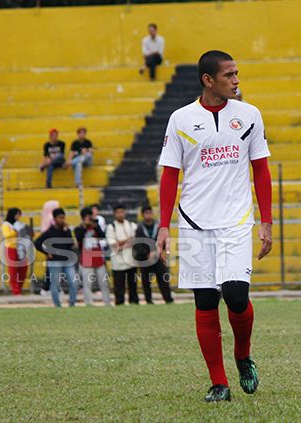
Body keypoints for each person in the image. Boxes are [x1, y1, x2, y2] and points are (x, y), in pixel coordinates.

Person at [157, 50, 272, 402]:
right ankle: (219, 383)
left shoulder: (250, 115)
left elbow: (262, 170)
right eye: (229, 75)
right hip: (194, 223)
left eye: (237, 73)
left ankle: (242, 355)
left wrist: (266, 221)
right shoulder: (180, 119)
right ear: (208, 80)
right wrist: (163, 226)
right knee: (205, 301)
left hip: (236, 222)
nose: (236, 80)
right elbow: (170, 176)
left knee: (237, 297)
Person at [33, 208, 79, 307]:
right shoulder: (49, 232)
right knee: (55, 284)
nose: (62, 220)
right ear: (54, 219)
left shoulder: (66, 230)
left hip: (68, 260)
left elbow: (70, 244)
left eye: (63, 217)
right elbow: (37, 243)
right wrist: (46, 252)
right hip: (54, 261)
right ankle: (57, 305)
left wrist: (67, 232)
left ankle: (72, 303)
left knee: (74, 282)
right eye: (60, 218)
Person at [133, 205, 174, 305]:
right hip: (144, 259)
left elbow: (163, 241)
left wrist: (157, 252)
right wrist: (147, 254)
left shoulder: (158, 226)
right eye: (146, 213)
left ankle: (168, 299)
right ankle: (148, 300)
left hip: (158, 257)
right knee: (146, 281)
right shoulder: (139, 228)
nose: (149, 215)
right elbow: (137, 244)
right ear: (143, 215)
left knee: (163, 278)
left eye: (150, 213)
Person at [74, 207, 111, 306]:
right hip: (86, 260)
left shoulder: (95, 226)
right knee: (87, 284)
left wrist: (95, 226)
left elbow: (102, 236)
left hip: (98, 259)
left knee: (104, 283)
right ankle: (89, 303)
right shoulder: (78, 229)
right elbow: (79, 239)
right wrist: (84, 227)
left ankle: (107, 302)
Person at [105, 204, 139, 305]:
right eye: (118, 212)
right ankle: (119, 304)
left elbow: (135, 241)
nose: (120, 214)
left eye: (122, 212)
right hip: (118, 263)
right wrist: (127, 241)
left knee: (133, 286)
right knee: (119, 288)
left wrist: (121, 244)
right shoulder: (111, 227)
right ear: (114, 214)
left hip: (131, 261)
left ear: (125, 213)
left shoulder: (131, 225)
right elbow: (113, 245)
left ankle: (134, 303)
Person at [1, 208, 31, 295]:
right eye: (17, 214)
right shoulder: (6, 225)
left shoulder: (19, 224)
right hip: (11, 248)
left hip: (21, 248)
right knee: (13, 270)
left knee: (23, 269)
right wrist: (16, 232)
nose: (18, 217)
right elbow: (7, 235)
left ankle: (19, 288)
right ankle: (16, 291)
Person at [38, 200, 60, 296]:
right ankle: (48, 287)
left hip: (48, 245)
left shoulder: (45, 218)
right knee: (54, 267)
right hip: (53, 245)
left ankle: (47, 287)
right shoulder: (52, 218)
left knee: (50, 267)